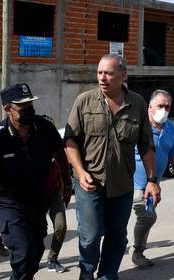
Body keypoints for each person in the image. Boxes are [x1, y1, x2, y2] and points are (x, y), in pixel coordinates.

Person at [0, 83, 72, 280]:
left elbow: (59, 153)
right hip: (8, 202)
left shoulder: (44, 127)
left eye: (30, 105)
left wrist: (66, 183)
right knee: (23, 251)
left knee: (35, 251)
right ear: (7, 108)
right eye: (23, 107)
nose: (29, 111)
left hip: (37, 201)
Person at [64, 54, 160, 280]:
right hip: (90, 184)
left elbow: (146, 145)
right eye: (99, 72)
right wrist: (79, 171)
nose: (102, 78)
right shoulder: (84, 101)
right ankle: (86, 274)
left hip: (122, 186)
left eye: (108, 73)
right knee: (90, 235)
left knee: (117, 237)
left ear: (123, 75)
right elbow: (70, 141)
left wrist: (152, 180)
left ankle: (108, 275)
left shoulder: (137, 103)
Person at [131, 89, 174, 268]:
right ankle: (130, 250)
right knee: (148, 217)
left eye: (167, 107)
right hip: (131, 185)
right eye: (160, 106)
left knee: (147, 217)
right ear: (149, 107)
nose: (163, 110)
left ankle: (138, 252)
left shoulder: (169, 127)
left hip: (153, 186)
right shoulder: (137, 126)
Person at [45, 160, 72, 273]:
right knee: (36, 232)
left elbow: (63, 169)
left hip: (53, 193)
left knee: (61, 226)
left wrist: (65, 188)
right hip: (33, 196)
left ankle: (52, 258)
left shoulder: (55, 150)